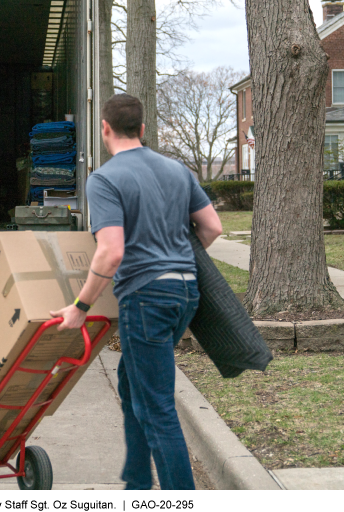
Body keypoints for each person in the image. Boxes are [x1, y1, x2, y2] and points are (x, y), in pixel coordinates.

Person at [50, 93, 223, 490]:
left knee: (157, 407)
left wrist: (80, 305)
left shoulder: (106, 179)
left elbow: (111, 252)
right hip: (185, 294)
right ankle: (138, 484)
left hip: (147, 299)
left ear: (105, 129)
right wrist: (174, 258)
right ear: (143, 130)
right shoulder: (177, 169)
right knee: (132, 382)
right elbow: (211, 228)